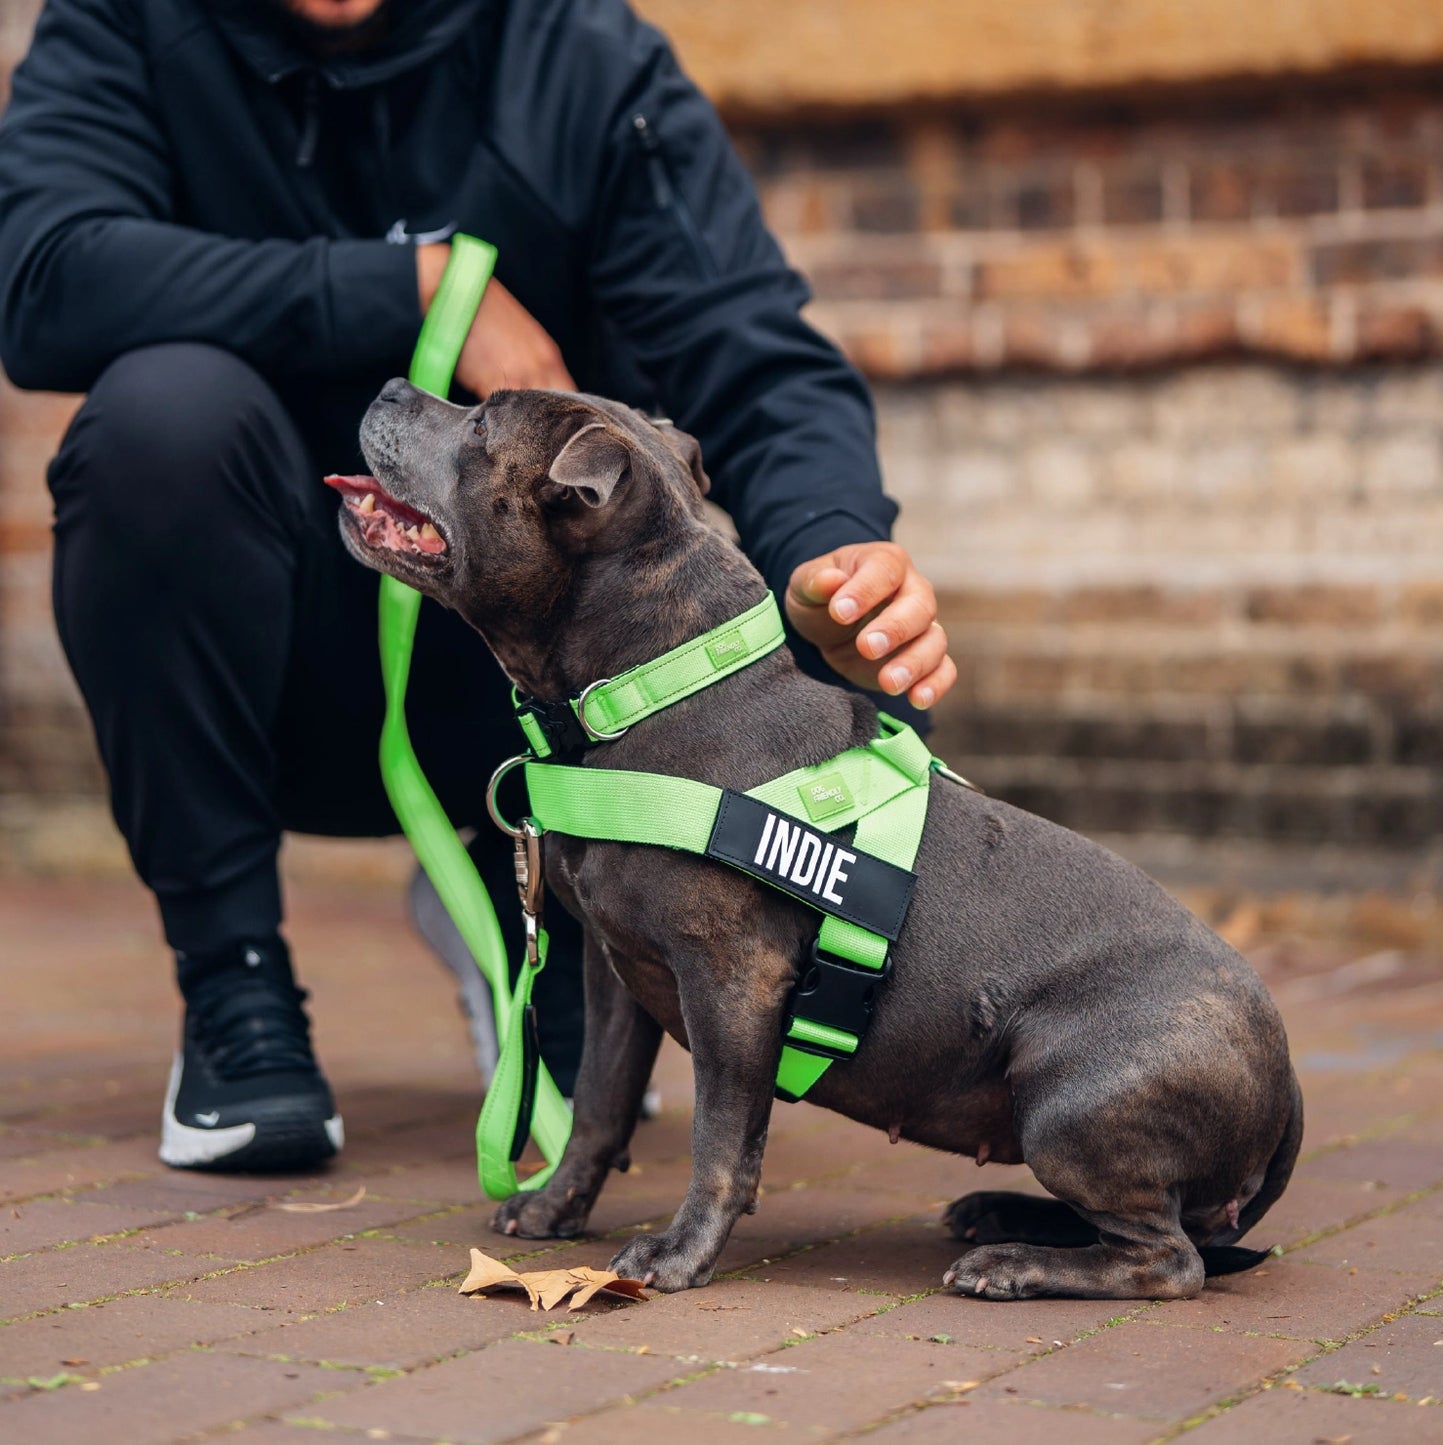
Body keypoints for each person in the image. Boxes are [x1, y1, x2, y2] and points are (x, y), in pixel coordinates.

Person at [0, 0, 957, 1172]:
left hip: (531, 694)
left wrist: (834, 545)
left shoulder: (579, 52)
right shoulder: (126, 25)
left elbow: (752, 351)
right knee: (157, 421)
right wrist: (413, 285)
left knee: (763, 575)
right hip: (268, 681)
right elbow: (45, 278)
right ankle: (233, 981)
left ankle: (557, 920)